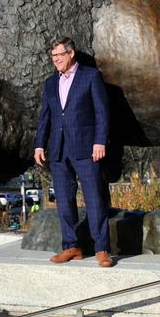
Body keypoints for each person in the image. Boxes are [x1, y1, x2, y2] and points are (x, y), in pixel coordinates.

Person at [34, 37, 113, 267]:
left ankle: (102, 249)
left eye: (59, 55)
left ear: (71, 54)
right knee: (64, 201)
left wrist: (100, 141)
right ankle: (71, 246)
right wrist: (39, 144)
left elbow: (102, 112)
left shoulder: (90, 76)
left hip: (87, 149)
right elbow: (45, 117)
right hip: (58, 150)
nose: (55, 60)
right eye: (53, 56)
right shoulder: (50, 83)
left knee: (94, 199)